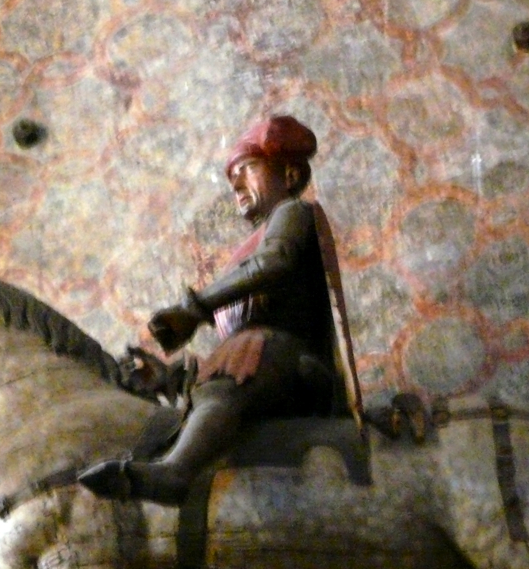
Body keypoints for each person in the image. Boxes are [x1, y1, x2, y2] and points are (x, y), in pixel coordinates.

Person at [79, 114, 341, 506]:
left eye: (247, 169)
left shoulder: (293, 213)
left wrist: (195, 308)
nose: (235, 184)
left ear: (288, 176)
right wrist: (169, 380)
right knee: (230, 369)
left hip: (294, 361)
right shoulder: (248, 249)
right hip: (261, 360)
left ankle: (176, 474)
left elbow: (275, 262)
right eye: (233, 174)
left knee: (239, 364)